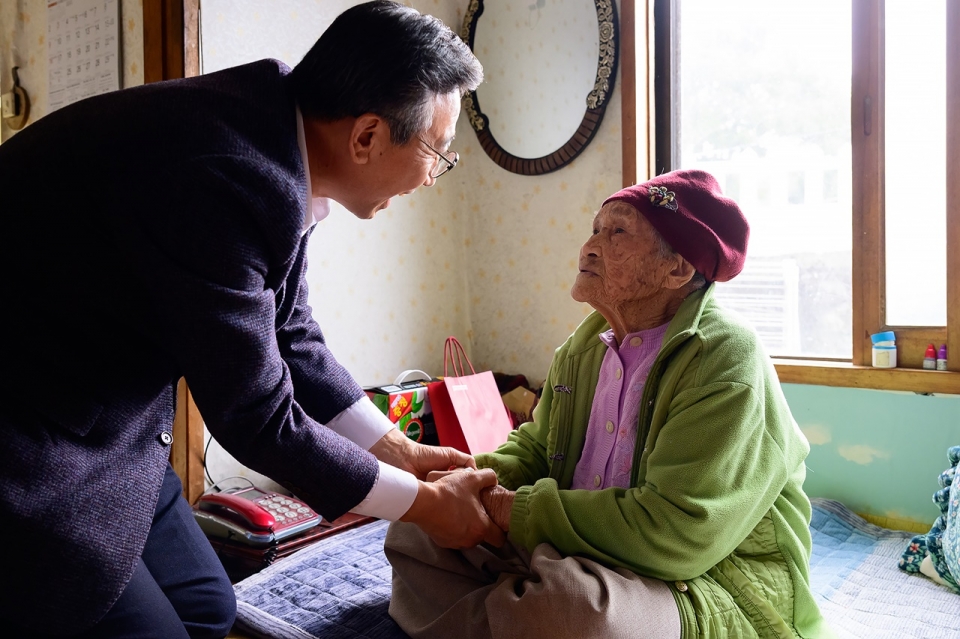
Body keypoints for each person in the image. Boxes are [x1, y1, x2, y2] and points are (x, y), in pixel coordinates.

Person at [0, 2, 502, 637]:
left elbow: (291, 332)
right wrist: (426, 507)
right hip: (33, 450)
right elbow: (258, 416)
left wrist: (398, 450)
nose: (435, 177)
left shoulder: (277, 131)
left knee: (209, 608)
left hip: (113, 430)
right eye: (439, 151)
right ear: (368, 135)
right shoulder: (225, 174)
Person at [386, 170, 833, 639]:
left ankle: (523, 610)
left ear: (677, 269)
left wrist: (507, 509)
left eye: (617, 232)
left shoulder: (722, 355)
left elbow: (675, 533)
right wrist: (468, 481)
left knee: (577, 610)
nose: (590, 246)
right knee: (416, 527)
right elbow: (538, 450)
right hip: (586, 554)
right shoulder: (584, 347)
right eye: (595, 229)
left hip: (700, 575)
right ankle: (519, 613)